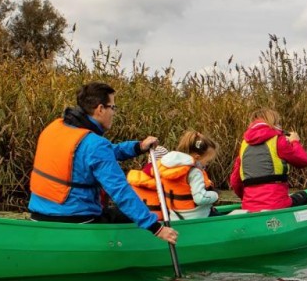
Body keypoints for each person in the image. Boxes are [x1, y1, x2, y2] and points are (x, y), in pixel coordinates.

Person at [27, 81, 179, 244]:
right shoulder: (95, 145)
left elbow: (100, 154)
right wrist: (157, 228)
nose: (114, 113)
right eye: (112, 107)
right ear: (100, 109)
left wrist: (137, 147)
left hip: (38, 216)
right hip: (77, 220)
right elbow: (120, 191)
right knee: (129, 216)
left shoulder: (55, 128)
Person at [228, 107, 307, 212]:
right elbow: (303, 161)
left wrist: (249, 200)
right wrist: (295, 142)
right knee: (303, 196)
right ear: (274, 122)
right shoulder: (278, 140)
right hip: (277, 205)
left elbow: (235, 182)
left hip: (249, 206)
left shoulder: (244, 145)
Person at [127, 129, 220, 219]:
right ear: (197, 157)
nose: (207, 164)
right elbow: (200, 198)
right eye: (207, 161)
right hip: (197, 216)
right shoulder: (194, 172)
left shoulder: (167, 168)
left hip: (174, 217)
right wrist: (215, 195)